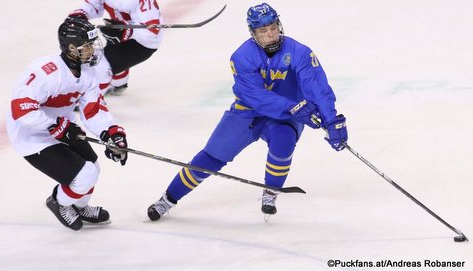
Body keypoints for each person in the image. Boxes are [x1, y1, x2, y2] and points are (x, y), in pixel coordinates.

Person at [146, 3, 348, 222]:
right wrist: (292, 107)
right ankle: (168, 198)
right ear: (253, 34)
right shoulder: (241, 57)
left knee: (284, 140)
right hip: (247, 113)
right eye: (263, 31)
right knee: (211, 157)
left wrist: (331, 120)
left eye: (272, 27)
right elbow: (255, 97)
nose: (270, 34)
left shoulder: (299, 52)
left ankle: (270, 192)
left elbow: (317, 87)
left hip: (287, 115)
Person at [6, 17, 129, 231]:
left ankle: (79, 206)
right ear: (72, 47)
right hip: (31, 135)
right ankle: (59, 202)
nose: (93, 49)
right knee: (85, 175)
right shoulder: (47, 72)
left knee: (94, 167)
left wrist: (110, 133)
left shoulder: (88, 73)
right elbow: (21, 108)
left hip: (61, 127)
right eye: (88, 45)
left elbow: (93, 110)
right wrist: (56, 127)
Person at [68, 0, 163, 96]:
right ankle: (119, 83)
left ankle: (91, 100)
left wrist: (126, 31)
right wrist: (80, 15)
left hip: (143, 42)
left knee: (100, 64)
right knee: (111, 49)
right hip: (122, 29)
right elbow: (93, 4)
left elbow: (153, 31)